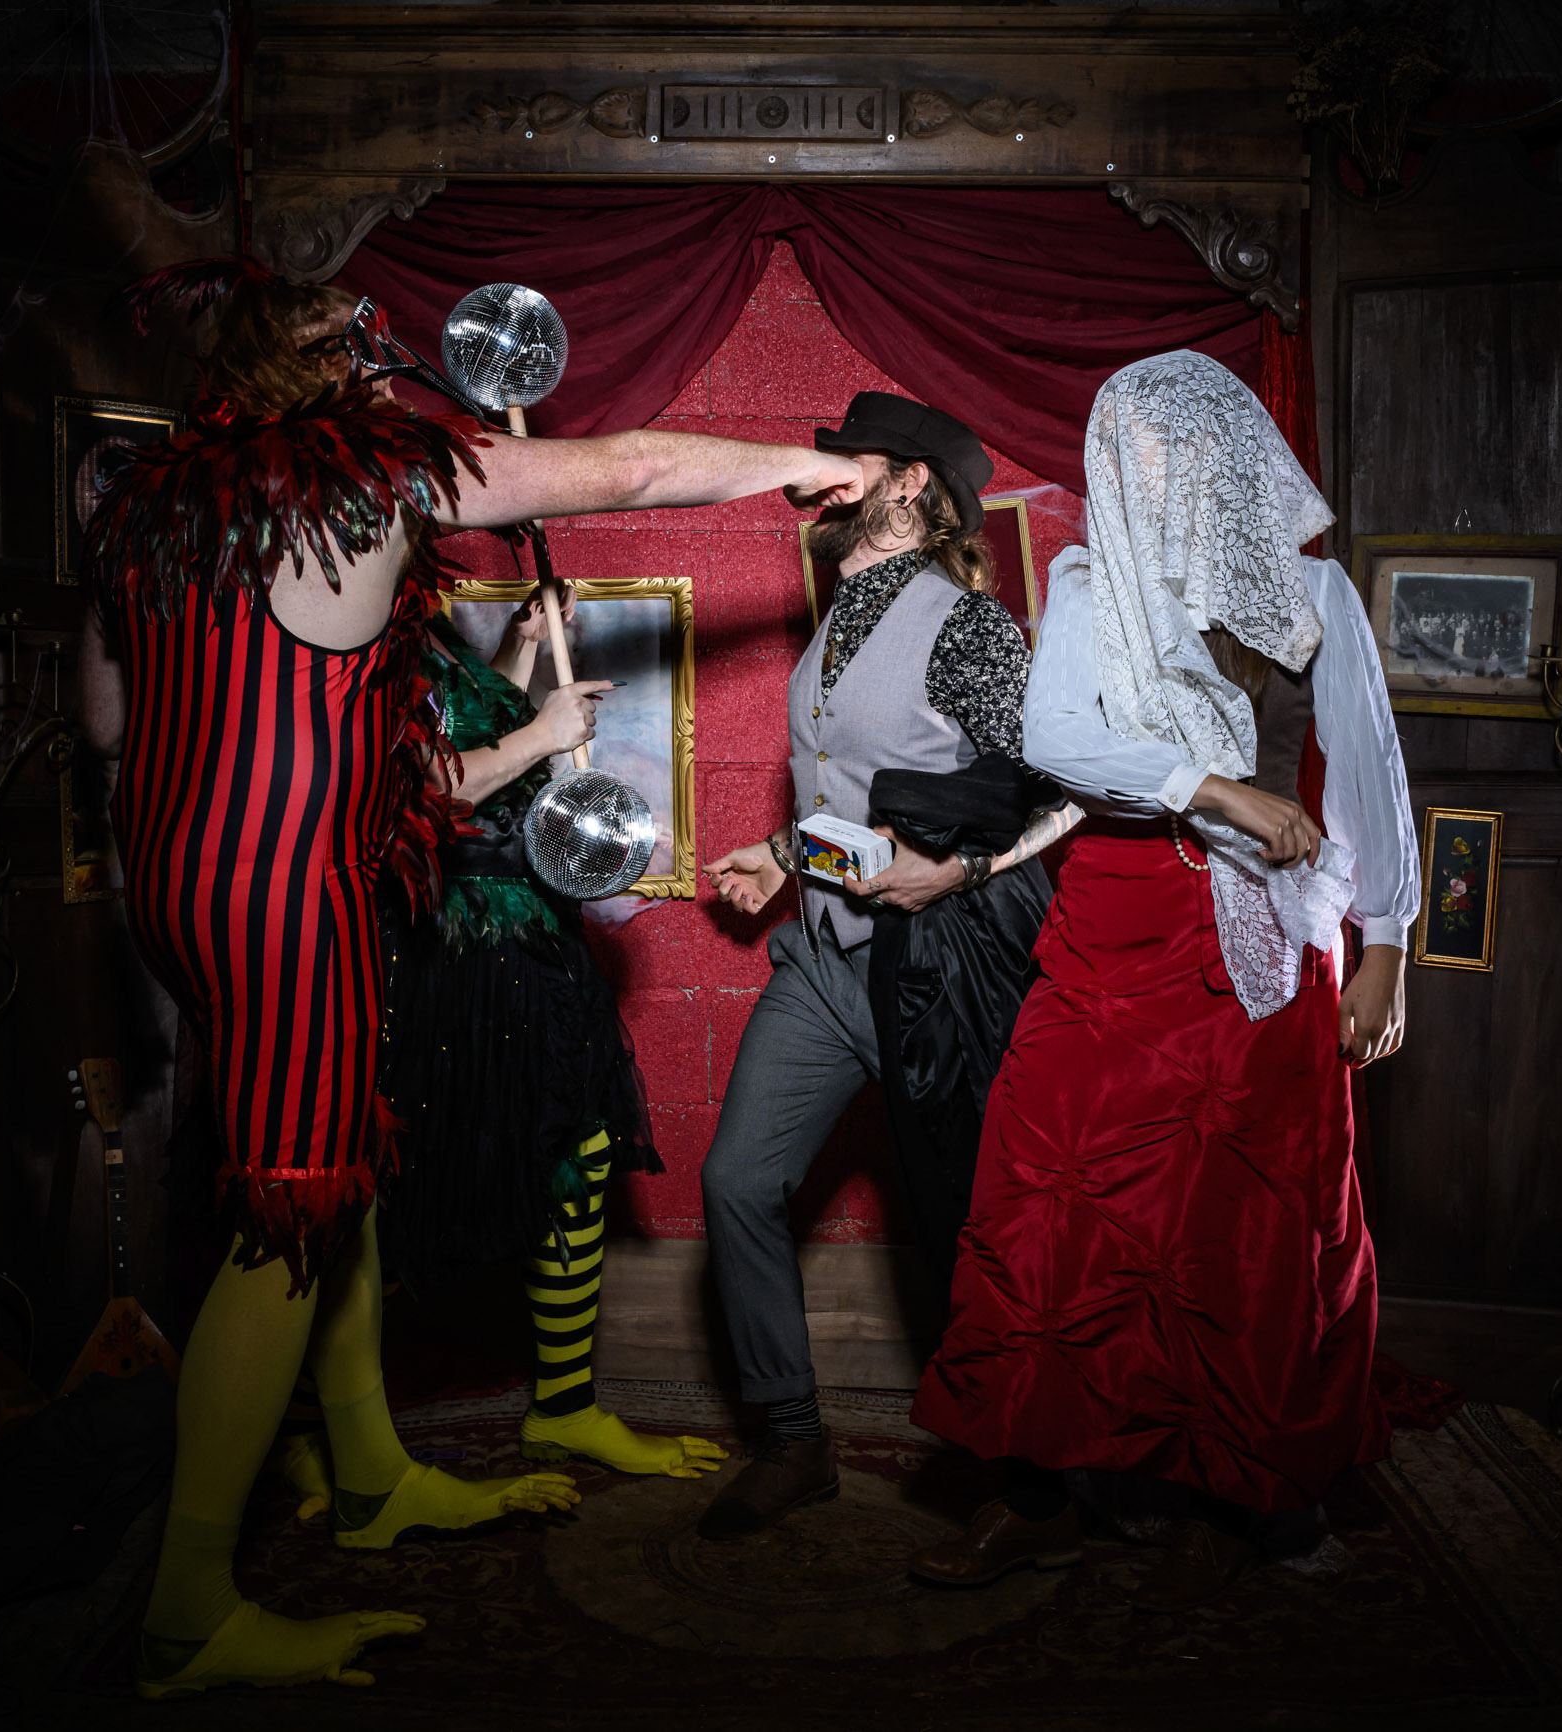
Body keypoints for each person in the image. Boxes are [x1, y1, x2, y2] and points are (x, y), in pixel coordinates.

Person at [78, 260, 862, 1698]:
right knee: (282, 1220)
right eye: (362, 350)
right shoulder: (371, 481)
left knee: (337, 1180)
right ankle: (186, 1609)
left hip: (173, 888)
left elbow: (111, 723)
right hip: (287, 893)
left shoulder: (142, 510)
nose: (387, 368)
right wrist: (807, 464)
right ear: (328, 370)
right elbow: (632, 468)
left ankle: (370, 1471)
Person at [909, 350, 1419, 1611]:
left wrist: (1388, 942)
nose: (1147, 471)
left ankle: (1246, 1499)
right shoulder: (1091, 585)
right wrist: (1214, 789)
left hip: (1269, 947)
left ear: (1227, 453)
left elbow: (1368, 768)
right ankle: (1038, 1497)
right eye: (1128, 452)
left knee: (1245, 1234)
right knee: (1050, 1206)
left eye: (1169, 447)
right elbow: (1056, 737)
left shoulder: (1316, 592)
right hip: (1115, 930)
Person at [697, 393, 1072, 1542]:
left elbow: (1057, 795)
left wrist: (957, 873)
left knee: (969, 1219)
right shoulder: (837, 613)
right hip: (824, 963)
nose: (818, 478)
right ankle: (792, 1437)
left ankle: (1027, 1474)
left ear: (909, 483)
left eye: (845, 460)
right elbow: (863, 805)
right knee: (737, 1180)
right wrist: (778, 854)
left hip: (934, 973)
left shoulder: (970, 628)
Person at [371, 587, 726, 1479]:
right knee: (386, 1186)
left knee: (578, 1151)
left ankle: (564, 1407)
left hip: (525, 942)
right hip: (448, 948)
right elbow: (420, 786)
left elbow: (464, 726)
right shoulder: (357, 641)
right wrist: (542, 735)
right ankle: (307, 1429)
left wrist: (523, 647)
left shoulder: (426, 633)